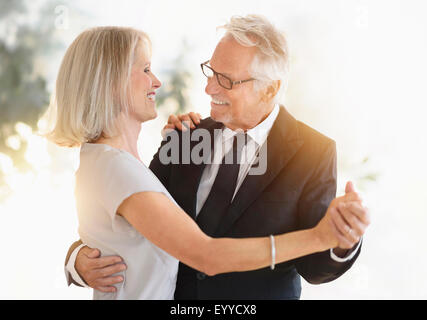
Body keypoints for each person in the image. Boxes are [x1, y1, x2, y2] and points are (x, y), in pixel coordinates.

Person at [63, 16, 370, 300]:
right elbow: (125, 219)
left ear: (269, 89)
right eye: (211, 71)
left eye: (226, 80)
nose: (209, 87)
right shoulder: (185, 135)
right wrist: (78, 259)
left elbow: (314, 268)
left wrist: (341, 238)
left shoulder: (313, 153)